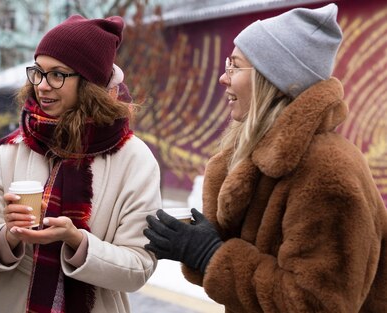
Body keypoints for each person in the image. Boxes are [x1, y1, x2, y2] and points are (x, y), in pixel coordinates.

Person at [144, 4, 387, 312]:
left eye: (234, 66)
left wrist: (211, 255)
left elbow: (318, 303)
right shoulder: (263, 159)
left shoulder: (326, 172)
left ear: (272, 79)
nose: (222, 78)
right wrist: (194, 241)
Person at [0, 14, 161, 313]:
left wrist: (76, 241)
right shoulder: (15, 148)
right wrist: (7, 235)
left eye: (58, 74)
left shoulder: (134, 159)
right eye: (38, 73)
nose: (42, 86)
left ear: (89, 83)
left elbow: (139, 266)